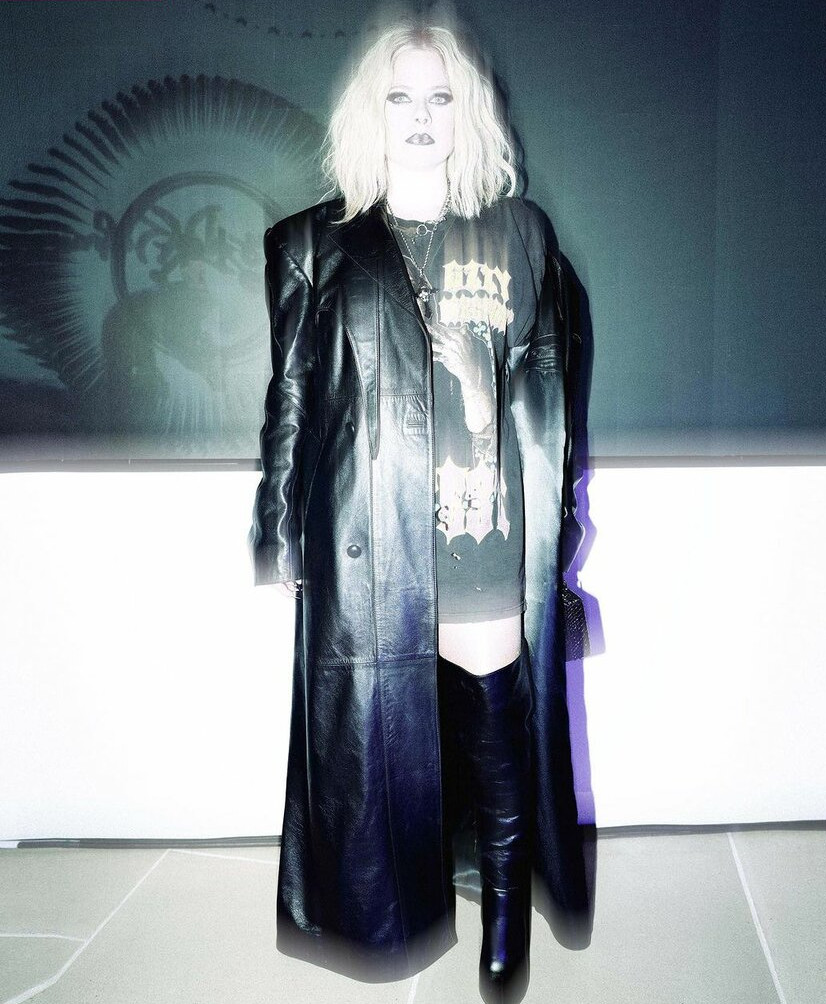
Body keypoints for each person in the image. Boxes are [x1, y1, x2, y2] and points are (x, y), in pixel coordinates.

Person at [249, 16, 589, 1004]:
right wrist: (276, 529)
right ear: (371, 113)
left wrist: (557, 519)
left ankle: (504, 916)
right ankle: (401, 910)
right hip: (371, 531)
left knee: (495, 715)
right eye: (400, 96)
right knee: (386, 734)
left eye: (442, 96)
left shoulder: (518, 233)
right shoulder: (313, 243)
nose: (422, 116)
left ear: (468, 111)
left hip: (484, 524)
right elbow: (292, 396)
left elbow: (554, 389)